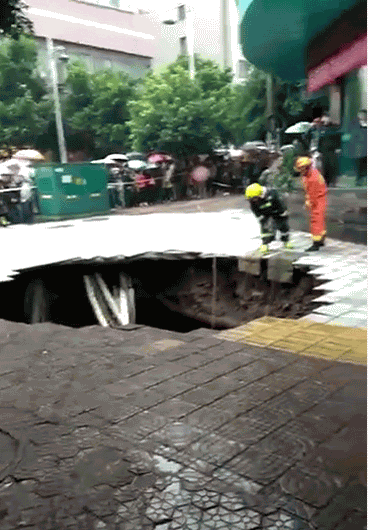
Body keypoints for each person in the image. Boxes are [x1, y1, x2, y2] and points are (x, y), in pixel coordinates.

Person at [245, 182, 293, 254]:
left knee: (283, 226)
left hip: (277, 211)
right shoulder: (253, 201)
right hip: (264, 212)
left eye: (255, 198)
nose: (253, 200)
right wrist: (260, 217)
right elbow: (255, 209)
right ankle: (265, 243)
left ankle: (286, 240)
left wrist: (282, 213)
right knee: (265, 227)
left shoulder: (273, 194)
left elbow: (280, 203)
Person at [294, 156, 327, 251]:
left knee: (316, 220)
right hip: (320, 198)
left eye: (301, 168)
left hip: (317, 199)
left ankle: (316, 243)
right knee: (319, 219)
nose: (300, 171)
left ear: (305, 167)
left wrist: (309, 203)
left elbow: (312, 193)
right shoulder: (312, 173)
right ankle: (321, 239)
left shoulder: (312, 178)